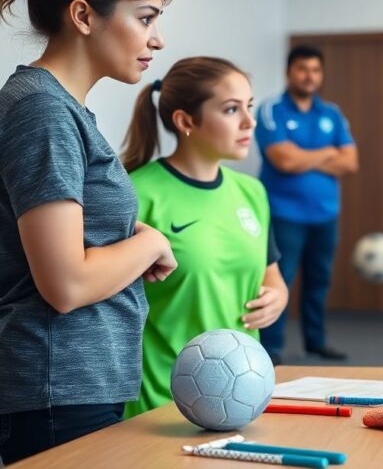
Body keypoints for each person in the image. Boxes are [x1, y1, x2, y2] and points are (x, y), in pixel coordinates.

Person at [0, 0, 177, 464]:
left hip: (77, 386)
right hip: (54, 390)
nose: (156, 39)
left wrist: (124, 241)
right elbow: (65, 284)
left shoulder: (60, 110)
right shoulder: (42, 112)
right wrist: (150, 244)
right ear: (84, 15)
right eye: (146, 18)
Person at [119, 57, 288, 417]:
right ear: (185, 121)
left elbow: (269, 274)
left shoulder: (252, 192)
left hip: (243, 398)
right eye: (231, 109)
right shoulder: (136, 194)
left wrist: (278, 295)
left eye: (250, 107)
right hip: (161, 402)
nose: (249, 121)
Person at [256, 45, 358, 362]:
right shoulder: (272, 109)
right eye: (302, 69)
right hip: (284, 214)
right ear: (289, 72)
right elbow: (283, 160)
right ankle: (270, 348)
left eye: (315, 70)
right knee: (278, 280)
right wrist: (329, 153)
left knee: (319, 281)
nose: (309, 76)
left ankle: (316, 341)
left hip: (325, 214)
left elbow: (351, 162)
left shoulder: (332, 113)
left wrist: (305, 157)